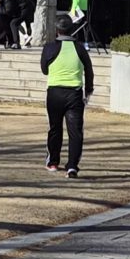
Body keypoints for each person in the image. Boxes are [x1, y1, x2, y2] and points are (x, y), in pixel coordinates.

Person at [41, 30, 92, 177]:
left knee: (54, 128)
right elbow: (89, 71)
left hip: (54, 93)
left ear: (57, 31)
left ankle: (53, 162)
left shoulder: (49, 47)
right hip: (74, 94)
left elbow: (44, 70)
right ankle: (72, 166)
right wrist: (89, 90)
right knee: (75, 131)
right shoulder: (80, 48)